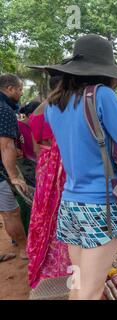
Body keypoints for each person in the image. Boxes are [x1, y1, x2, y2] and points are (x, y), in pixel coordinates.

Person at [37, 34, 117, 299]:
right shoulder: (102, 95)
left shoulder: (53, 104)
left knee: (78, 283)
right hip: (101, 205)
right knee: (91, 291)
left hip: (70, 203)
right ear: (103, 70)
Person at [26, 75, 72, 289]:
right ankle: (61, 267)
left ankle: (41, 264)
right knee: (61, 215)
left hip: (44, 168)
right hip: (60, 169)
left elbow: (36, 149)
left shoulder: (36, 111)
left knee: (43, 214)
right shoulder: (62, 107)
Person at [0, 74, 28, 263]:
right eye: (19, 89)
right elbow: (6, 145)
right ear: (10, 89)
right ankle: (25, 249)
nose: (21, 92)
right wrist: (13, 175)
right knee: (11, 212)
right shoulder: (4, 110)